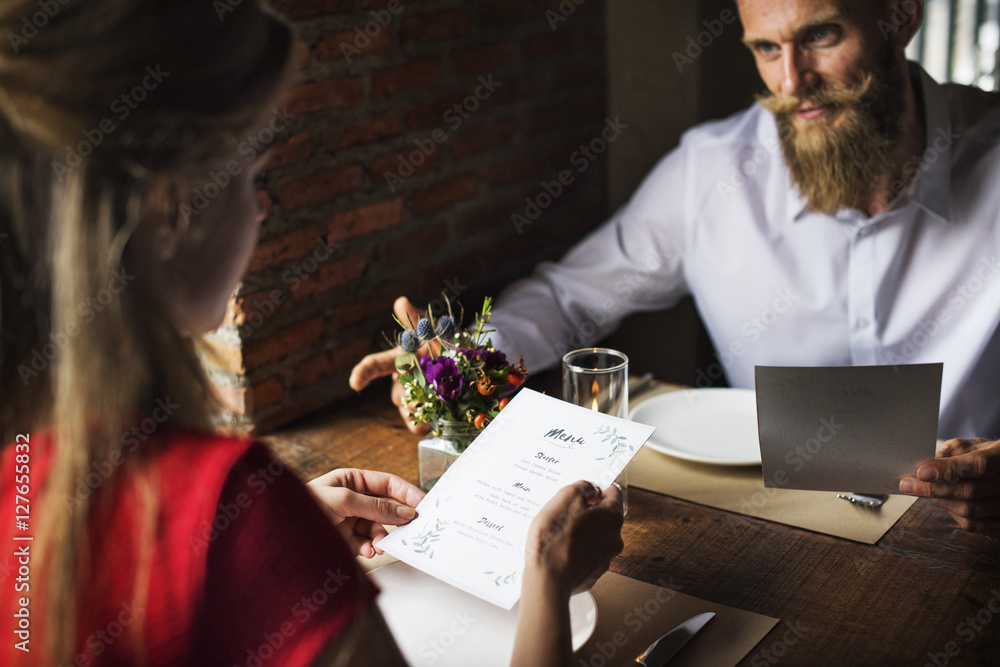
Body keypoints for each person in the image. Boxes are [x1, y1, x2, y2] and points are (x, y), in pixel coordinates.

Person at [0, 1, 624, 665]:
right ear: (170, 209)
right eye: (254, 174)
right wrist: (549, 577)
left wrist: (270, 550)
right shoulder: (231, 498)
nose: (265, 206)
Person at [350, 0, 1000, 539]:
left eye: (821, 36)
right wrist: (470, 359)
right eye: (766, 49)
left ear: (901, 16)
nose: (793, 81)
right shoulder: (710, 172)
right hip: (771, 535)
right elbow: (568, 297)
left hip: (966, 538)